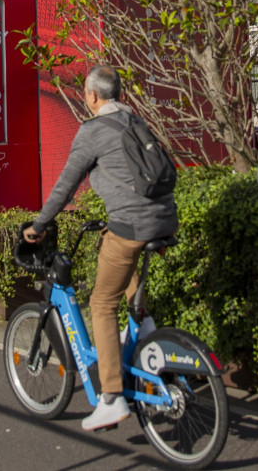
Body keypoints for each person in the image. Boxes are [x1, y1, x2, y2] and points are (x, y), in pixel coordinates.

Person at [23, 65, 177, 431]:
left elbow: (65, 186)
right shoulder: (135, 120)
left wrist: (40, 226)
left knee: (100, 304)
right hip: (164, 219)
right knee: (117, 253)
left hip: (133, 225)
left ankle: (110, 398)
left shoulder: (92, 131)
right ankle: (147, 330)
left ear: (92, 95)